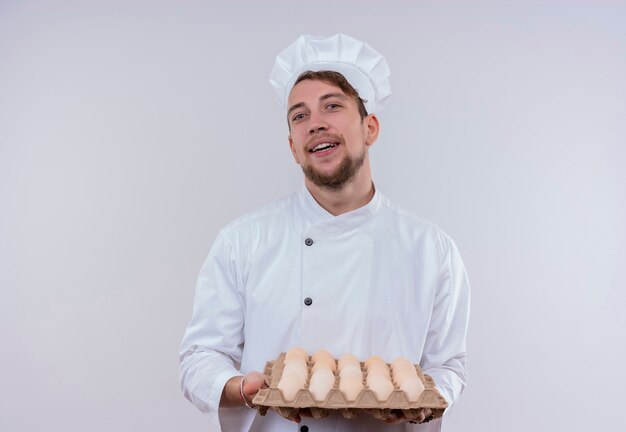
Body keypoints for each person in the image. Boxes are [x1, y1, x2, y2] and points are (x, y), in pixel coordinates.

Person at [179, 34, 470, 432]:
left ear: (370, 128)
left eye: (332, 106)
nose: (315, 123)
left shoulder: (432, 250)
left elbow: (448, 366)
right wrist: (242, 388)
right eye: (299, 116)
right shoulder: (243, 241)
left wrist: (425, 402)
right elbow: (200, 357)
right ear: (292, 147)